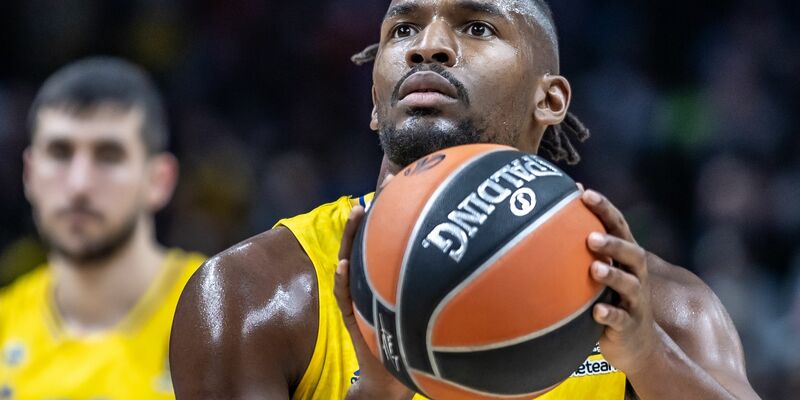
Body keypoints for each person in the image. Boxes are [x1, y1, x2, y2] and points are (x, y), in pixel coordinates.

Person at [170, 0, 759, 399]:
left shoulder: (660, 310)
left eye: (477, 27)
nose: (428, 47)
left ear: (549, 99)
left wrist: (650, 359)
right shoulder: (258, 294)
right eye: (403, 30)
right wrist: (377, 392)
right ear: (375, 102)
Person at [0, 57, 204, 399]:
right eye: (60, 153)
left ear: (159, 179)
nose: (79, 184)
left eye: (109, 156)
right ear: (29, 174)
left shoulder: (222, 316)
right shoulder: (4, 327)